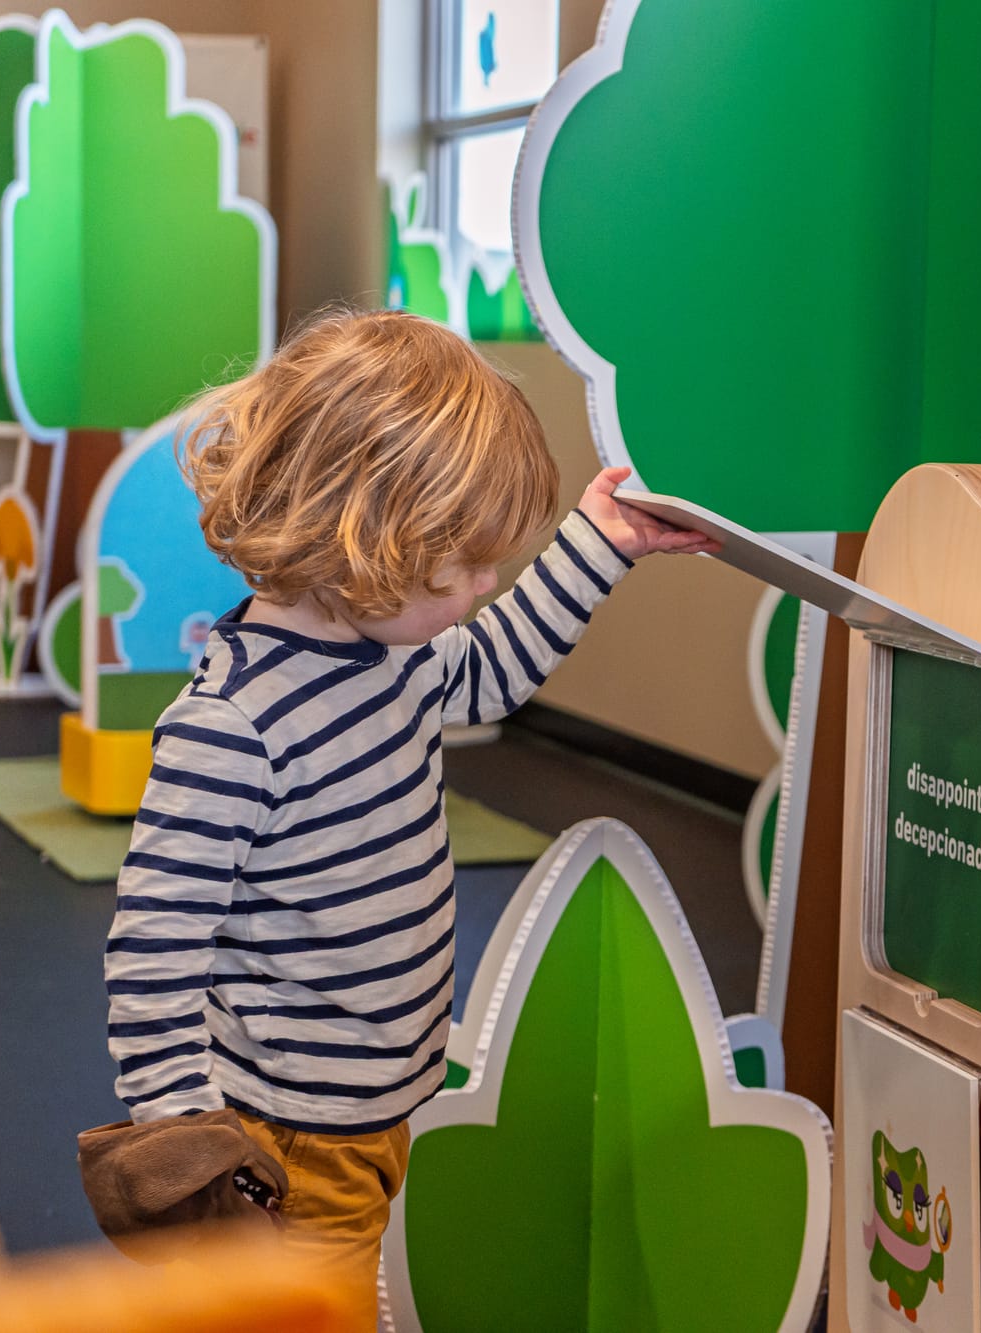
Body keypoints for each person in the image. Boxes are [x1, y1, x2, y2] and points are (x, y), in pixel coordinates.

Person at [96, 308, 715, 1325]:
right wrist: (185, 1140)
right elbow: (153, 953)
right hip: (287, 1133)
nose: (485, 590)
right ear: (363, 540)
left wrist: (600, 543)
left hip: (385, 1098)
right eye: (463, 569)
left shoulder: (394, 657)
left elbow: (491, 673)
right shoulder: (231, 727)